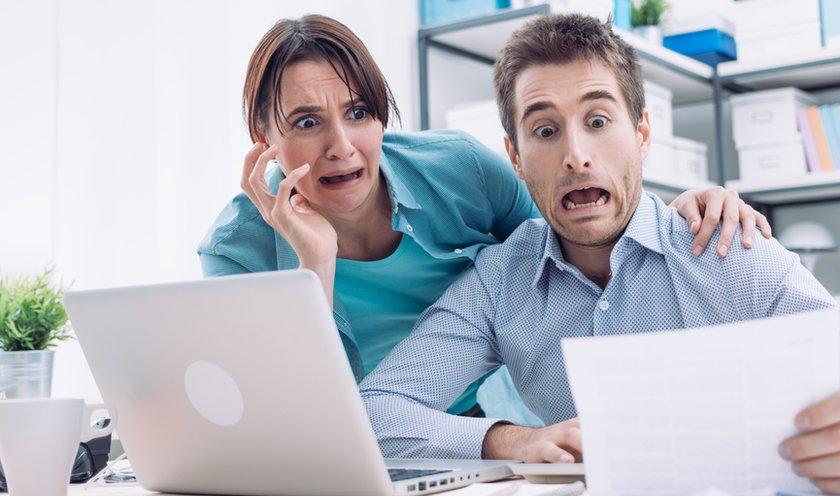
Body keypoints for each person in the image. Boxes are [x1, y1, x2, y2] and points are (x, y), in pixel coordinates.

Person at [358, 14, 840, 496]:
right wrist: (509, 441)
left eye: (598, 120)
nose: (576, 155)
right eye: (545, 131)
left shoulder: (728, 249)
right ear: (514, 157)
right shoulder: (500, 282)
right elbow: (376, 413)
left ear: (642, 133)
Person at [197, 14, 770, 420]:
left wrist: (667, 215)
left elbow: (565, 245)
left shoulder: (459, 171)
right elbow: (282, 415)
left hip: (494, 419)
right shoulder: (237, 247)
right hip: (361, 431)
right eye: (305, 122)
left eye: (359, 111)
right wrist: (313, 265)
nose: (341, 145)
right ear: (263, 137)